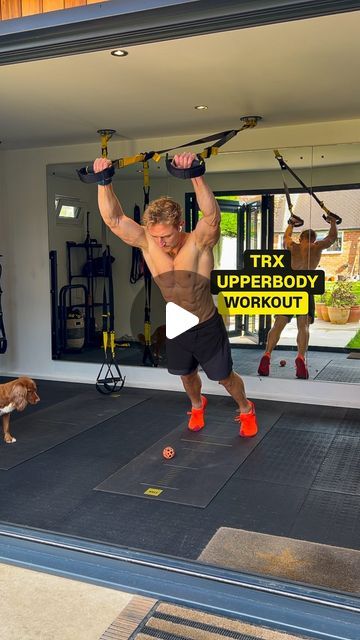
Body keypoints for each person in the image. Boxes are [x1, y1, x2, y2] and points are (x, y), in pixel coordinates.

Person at [93, 152, 258, 437]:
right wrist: (103, 181)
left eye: (166, 236)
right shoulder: (148, 242)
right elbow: (114, 219)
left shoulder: (199, 242)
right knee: (185, 374)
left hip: (206, 323)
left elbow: (212, 216)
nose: (161, 242)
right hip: (178, 323)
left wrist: (195, 175)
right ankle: (197, 405)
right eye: (155, 236)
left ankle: (245, 409)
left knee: (224, 378)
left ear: (179, 226)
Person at [258, 216, 338, 379]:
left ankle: (267, 354)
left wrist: (291, 225)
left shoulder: (293, 247)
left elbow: (287, 238)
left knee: (278, 324)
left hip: (289, 288)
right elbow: (332, 237)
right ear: (314, 238)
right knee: (304, 326)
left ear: (300, 238)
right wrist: (333, 223)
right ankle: (300, 357)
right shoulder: (317, 247)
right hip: (305, 288)